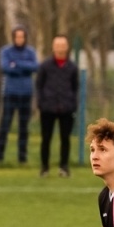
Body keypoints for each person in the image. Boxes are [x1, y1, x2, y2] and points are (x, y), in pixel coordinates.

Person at [36, 35, 80, 177]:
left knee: (65, 138)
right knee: (46, 138)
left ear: (67, 47)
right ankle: (44, 168)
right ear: (53, 47)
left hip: (66, 108)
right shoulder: (45, 66)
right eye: (58, 45)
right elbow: (39, 85)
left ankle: (64, 167)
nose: (60, 48)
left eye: (63, 45)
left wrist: (72, 104)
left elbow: (75, 87)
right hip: (47, 108)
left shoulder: (72, 67)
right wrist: (41, 103)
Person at [0, 25, 38, 164]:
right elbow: (5, 67)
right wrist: (24, 67)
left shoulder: (30, 51)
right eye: (17, 36)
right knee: (5, 126)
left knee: (23, 128)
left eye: (22, 37)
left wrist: (17, 64)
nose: (19, 39)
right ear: (13, 38)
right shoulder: (5, 51)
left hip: (26, 94)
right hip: (10, 94)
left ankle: (22, 158)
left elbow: (35, 67)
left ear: (25, 38)